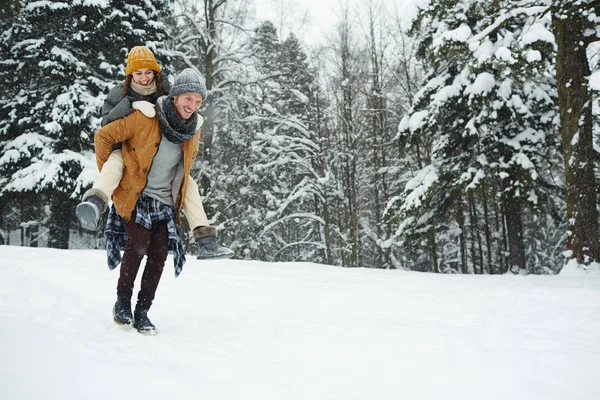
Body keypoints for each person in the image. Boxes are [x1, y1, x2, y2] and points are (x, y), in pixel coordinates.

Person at [94, 68, 223, 335]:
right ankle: (122, 302)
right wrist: (114, 175)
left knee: (159, 254)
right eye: (189, 98)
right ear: (175, 96)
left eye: (198, 101)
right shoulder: (145, 115)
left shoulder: (193, 130)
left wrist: (199, 224)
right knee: (139, 244)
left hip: (163, 202)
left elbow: (185, 175)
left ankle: (142, 312)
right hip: (136, 195)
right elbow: (103, 136)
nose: (193, 106)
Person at [76, 46, 232, 260]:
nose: (144, 78)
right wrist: (133, 106)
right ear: (130, 74)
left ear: (155, 73)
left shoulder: (166, 90)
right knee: (115, 162)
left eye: (148, 72)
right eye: (138, 73)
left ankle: (206, 240)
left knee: (188, 183)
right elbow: (107, 127)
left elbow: (175, 110)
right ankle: (95, 202)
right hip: (128, 148)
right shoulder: (117, 95)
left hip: (157, 150)